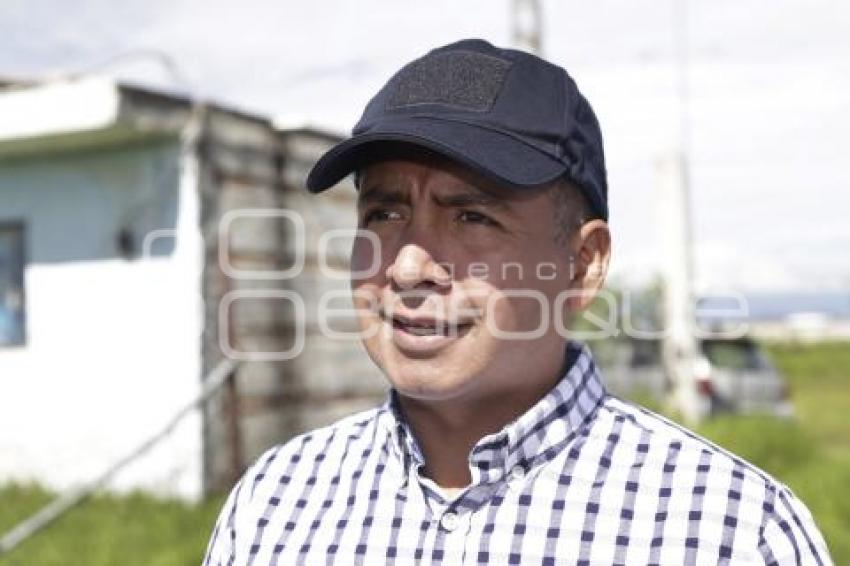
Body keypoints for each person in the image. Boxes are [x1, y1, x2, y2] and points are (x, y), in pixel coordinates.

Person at [203, 39, 831, 565]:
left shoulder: (728, 531)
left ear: (582, 265)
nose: (409, 266)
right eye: (385, 213)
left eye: (472, 217)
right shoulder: (275, 505)